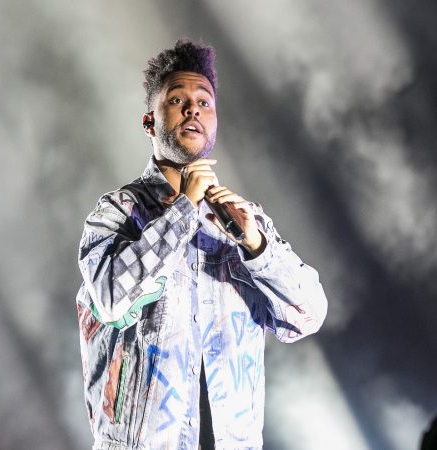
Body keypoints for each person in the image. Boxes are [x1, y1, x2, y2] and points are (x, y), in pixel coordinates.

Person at [76, 39, 328, 450]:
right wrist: (185, 211)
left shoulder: (243, 221)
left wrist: (256, 245)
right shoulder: (116, 213)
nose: (193, 108)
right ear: (149, 122)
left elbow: (309, 315)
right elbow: (110, 300)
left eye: (204, 102)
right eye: (177, 100)